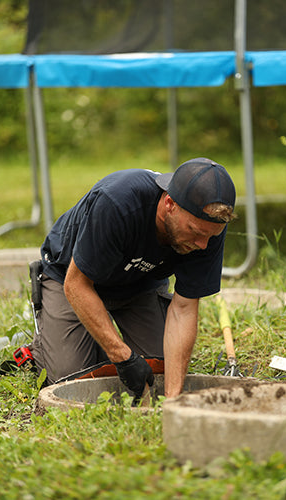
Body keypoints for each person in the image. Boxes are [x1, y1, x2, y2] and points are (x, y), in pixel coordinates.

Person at [30, 157, 236, 399]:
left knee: (160, 366)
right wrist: (123, 357)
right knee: (73, 377)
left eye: (211, 236)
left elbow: (184, 307)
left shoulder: (208, 228)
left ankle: (97, 337)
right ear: (170, 204)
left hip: (139, 282)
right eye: (195, 232)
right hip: (71, 277)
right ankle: (51, 339)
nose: (202, 245)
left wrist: (172, 401)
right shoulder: (118, 202)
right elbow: (76, 285)